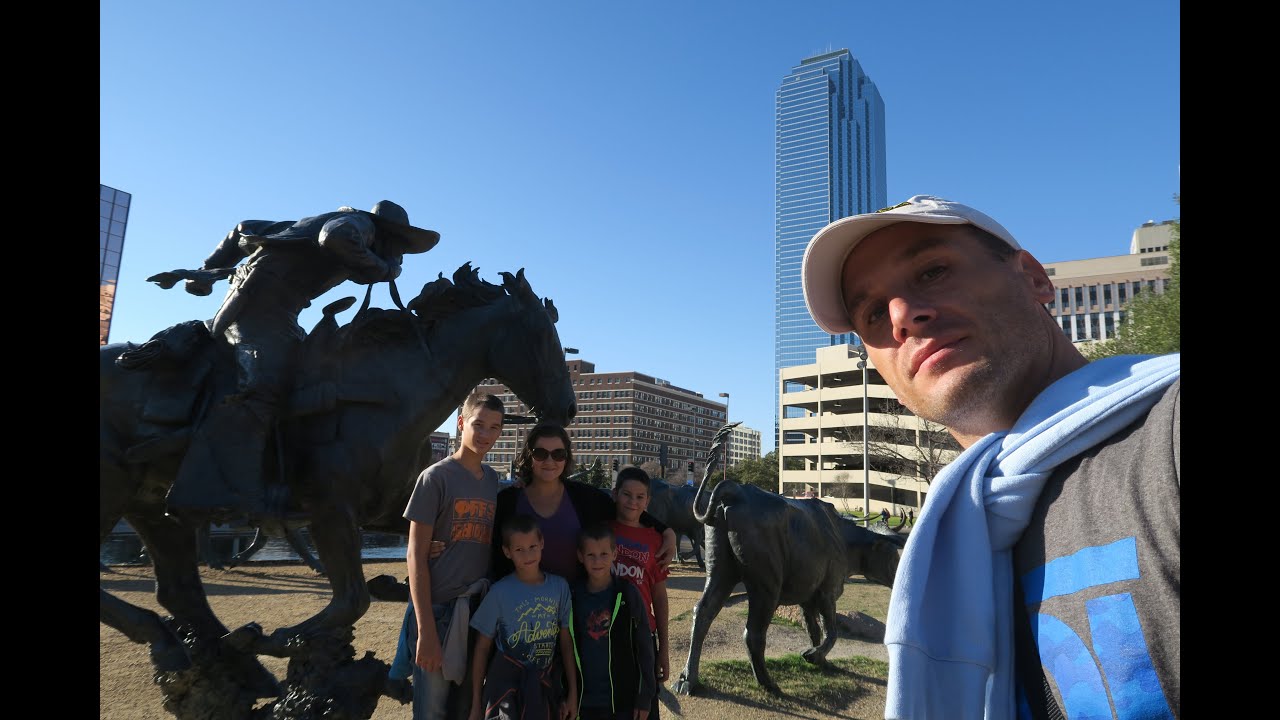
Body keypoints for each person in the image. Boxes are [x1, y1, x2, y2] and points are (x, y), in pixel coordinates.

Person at [801, 194, 1180, 719]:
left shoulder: (1166, 437)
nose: (902, 316)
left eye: (932, 271)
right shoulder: (960, 522)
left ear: (1033, 278)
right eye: (870, 314)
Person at [149, 200, 441, 522]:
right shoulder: (360, 225)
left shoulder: (301, 225)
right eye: (398, 247)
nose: (398, 257)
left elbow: (242, 229)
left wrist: (206, 270)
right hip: (257, 308)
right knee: (263, 387)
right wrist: (382, 269)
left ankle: (285, 473)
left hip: (280, 313)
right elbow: (336, 238)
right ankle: (222, 490)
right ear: (386, 234)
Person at [399, 391, 506, 720]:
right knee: (432, 710)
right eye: (478, 425)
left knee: (464, 709)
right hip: (440, 612)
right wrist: (426, 632)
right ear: (461, 423)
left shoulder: (492, 479)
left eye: (494, 427)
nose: (485, 434)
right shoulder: (435, 478)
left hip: (477, 612)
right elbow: (415, 556)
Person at [491, 423, 677, 584]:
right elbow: (494, 555)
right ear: (529, 456)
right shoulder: (508, 500)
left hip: (574, 608)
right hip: (520, 608)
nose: (550, 461)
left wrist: (666, 531)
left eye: (558, 454)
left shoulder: (584, 497)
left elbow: (626, 508)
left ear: (567, 457)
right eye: (540, 453)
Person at [468, 513, 578, 720]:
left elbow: (566, 643)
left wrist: (572, 693)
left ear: (542, 543)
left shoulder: (560, 588)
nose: (528, 555)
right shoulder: (499, 592)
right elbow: (482, 648)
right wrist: (477, 703)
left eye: (532, 547)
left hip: (545, 688)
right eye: (519, 549)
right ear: (507, 552)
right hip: (506, 691)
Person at [569, 522, 657, 720]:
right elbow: (564, 649)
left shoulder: (628, 593)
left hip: (621, 702)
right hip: (583, 702)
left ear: (615, 554)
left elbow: (644, 646)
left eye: (604, 554)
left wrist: (645, 696)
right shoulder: (571, 596)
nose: (597, 560)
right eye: (590, 555)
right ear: (580, 556)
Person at [609, 466, 671, 719]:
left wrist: (664, 648)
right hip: (605, 632)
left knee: (644, 707)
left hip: (643, 635)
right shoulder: (600, 530)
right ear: (614, 494)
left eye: (639, 497)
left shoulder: (656, 540)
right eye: (626, 494)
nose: (632, 502)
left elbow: (659, 596)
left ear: (648, 501)